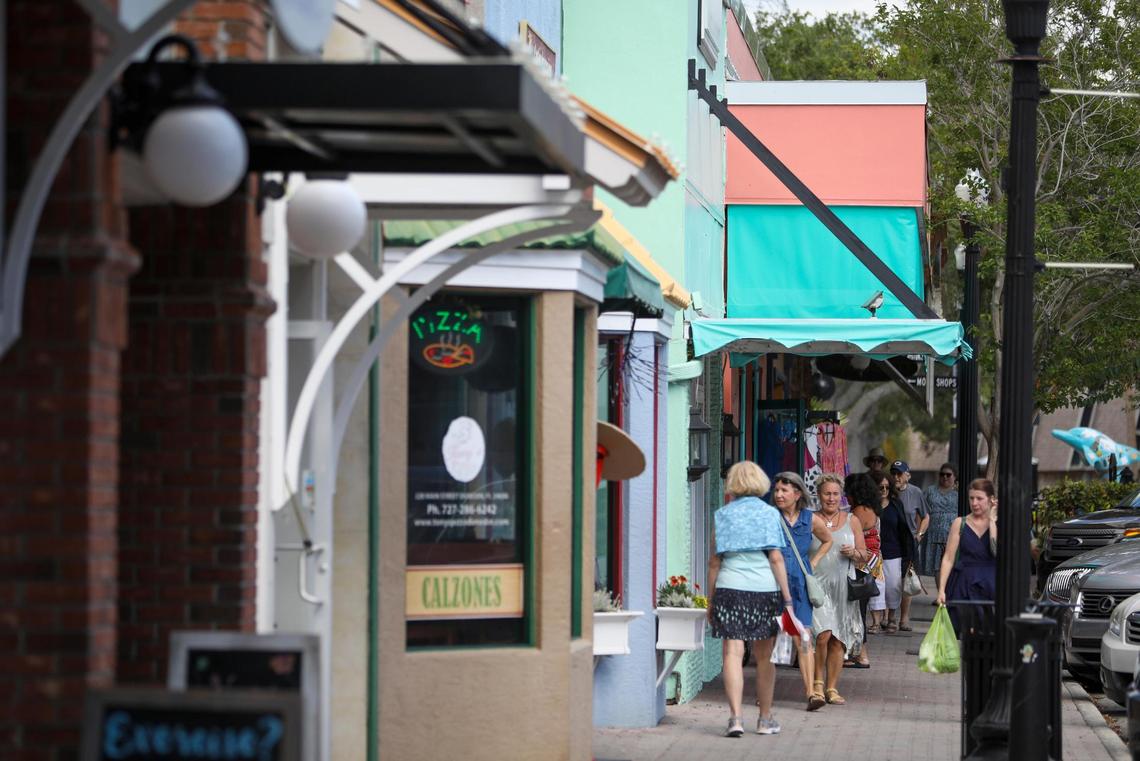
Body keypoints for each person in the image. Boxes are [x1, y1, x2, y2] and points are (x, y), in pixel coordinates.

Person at [707, 462, 797, 737]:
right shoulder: (770, 514)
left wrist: (710, 600)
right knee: (763, 657)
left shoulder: (723, 515)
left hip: (729, 588)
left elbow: (714, 561)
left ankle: (735, 719)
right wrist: (787, 598)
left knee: (732, 654)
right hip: (763, 590)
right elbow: (776, 557)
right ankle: (765, 718)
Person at [772, 471, 833, 710]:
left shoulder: (810, 519)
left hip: (799, 585)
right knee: (771, 638)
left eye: (784, 491)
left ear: (797, 494)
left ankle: (811, 694)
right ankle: (765, 693)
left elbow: (828, 540)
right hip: (773, 584)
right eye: (776, 490)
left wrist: (814, 562)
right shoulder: (771, 517)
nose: (778, 495)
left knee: (804, 637)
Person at [810, 474, 868, 705]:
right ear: (819, 495)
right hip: (818, 586)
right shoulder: (811, 519)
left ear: (841, 495)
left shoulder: (852, 520)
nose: (831, 498)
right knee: (821, 636)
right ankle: (817, 684)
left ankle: (832, 688)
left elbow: (865, 556)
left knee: (838, 639)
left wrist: (853, 553)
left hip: (843, 586)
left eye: (835, 494)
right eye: (827, 493)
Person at [936, 478, 998, 634]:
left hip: (990, 583)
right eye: (971, 498)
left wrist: (992, 521)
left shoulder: (998, 523)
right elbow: (948, 558)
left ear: (991, 500)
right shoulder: (960, 523)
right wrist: (941, 590)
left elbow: (996, 551)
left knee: (988, 632)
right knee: (962, 633)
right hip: (963, 583)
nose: (974, 503)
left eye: (979, 498)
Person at [843, 473, 882, 667]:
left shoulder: (858, 511)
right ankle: (857, 653)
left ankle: (861, 654)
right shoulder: (870, 509)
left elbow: (848, 535)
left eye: (848, 492)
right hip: (869, 566)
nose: (845, 496)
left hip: (860, 567)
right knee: (859, 611)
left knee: (856, 612)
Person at [890, 461, 929, 631]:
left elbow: (925, 516)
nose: (896, 477)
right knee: (891, 580)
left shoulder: (915, 492)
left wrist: (919, 534)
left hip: (909, 542)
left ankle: (904, 618)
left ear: (908, 475)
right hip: (890, 539)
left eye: (899, 473)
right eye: (893, 473)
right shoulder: (885, 491)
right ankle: (889, 616)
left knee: (907, 580)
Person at [876, 471, 914, 634]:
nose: (884, 490)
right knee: (876, 588)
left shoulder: (896, 505)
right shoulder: (870, 506)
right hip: (874, 553)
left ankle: (891, 617)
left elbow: (903, 530)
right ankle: (877, 621)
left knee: (892, 587)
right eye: (880, 487)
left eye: (886, 487)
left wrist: (908, 555)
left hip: (893, 552)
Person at [922, 463, 959, 577]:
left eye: (948, 475)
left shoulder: (959, 493)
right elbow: (922, 510)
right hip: (933, 534)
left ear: (954, 477)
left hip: (952, 534)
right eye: (942, 474)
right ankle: (941, 592)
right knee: (937, 567)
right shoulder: (930, 491)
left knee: (952, 566)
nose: (945, 477)